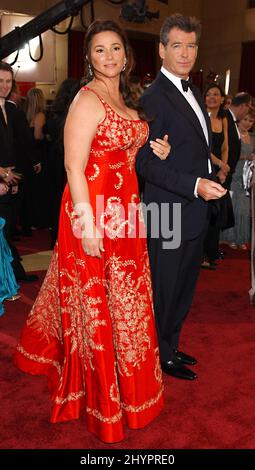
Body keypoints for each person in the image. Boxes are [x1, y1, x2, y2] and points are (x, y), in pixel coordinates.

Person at [14, 19, 171, 443]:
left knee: (129, 301)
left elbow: (129, 155)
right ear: (89, 58)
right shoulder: (87, 99)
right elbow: (72, 166)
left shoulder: (128, 98)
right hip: (94, 210)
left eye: (115, 48)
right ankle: (104, 399)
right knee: (100, 302)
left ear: (127, 55)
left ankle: (132, 388)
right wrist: (86, 226)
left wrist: (158, 149)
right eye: (99, 50)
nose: (108, 56)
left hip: (127, 213)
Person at [136, 13, 226, 381]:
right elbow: (144, 164)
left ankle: (170, 345)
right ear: (162, 49)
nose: (185, 53)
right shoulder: (154, 97)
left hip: (192, 211)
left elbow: (192, 147)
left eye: (191, 46)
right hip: (167, 210)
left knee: (184, 287)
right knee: (165, 288)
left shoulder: (191, 89)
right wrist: (195, 185)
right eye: (177, 46)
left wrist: (211, 170)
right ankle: (158, 355)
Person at [0, 61, 38, 283]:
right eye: (0, 81)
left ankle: (12, 275)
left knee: (5, 231)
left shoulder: (8, 109)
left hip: (8, 181)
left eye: (8, 81)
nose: (5, 86)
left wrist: (11, 180)